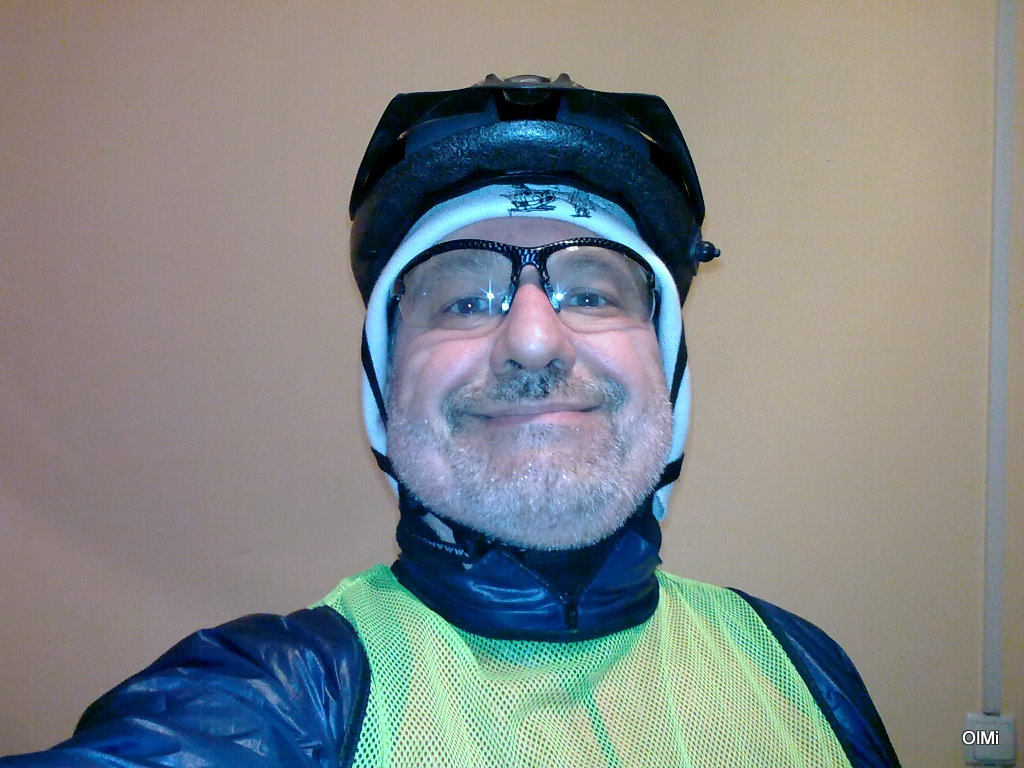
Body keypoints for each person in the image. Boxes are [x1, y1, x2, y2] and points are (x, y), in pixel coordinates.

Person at [0, 74, 901, 768]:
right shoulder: (283, 698)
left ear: (667, 368)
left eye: (592, 292)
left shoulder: (801, 663)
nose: (534, 339)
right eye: (465, 301)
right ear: (385, 389)